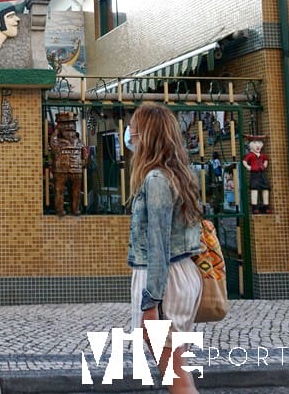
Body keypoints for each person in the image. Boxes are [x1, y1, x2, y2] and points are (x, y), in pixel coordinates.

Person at [127, 102, 203, 394]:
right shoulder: (179, 175)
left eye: (134, 127)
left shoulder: (156, 179)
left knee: (176, 378)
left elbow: (157, 246)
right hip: (180, 274)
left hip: (163, 280)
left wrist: (150, 304)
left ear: (146, 135)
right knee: (177, 368)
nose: (129, 133)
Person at [49, 112, 88, 216]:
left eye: (71, 126)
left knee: (76, 192)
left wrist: (82, 162)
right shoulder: (58, 142)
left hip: (76, 169)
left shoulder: (79, 141)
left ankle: (75, 209)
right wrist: (55, 133)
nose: (70, 128)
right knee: (59, 190)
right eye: (66, 126)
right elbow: (52, 145)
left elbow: (85, 153)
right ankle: (60, 209)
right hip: (61, 170)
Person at [242, 137, 270, 214]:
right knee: (254, 189)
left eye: (259, 144)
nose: (257, 146)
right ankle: (255, 207)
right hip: (254, 173)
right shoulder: (250, 155)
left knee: (265, 188)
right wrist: (248, 167)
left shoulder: (262, 155)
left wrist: (264, 166)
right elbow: (244, 161)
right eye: (255, 144)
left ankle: (266, 206)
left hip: (261, 173)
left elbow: (266, 160)